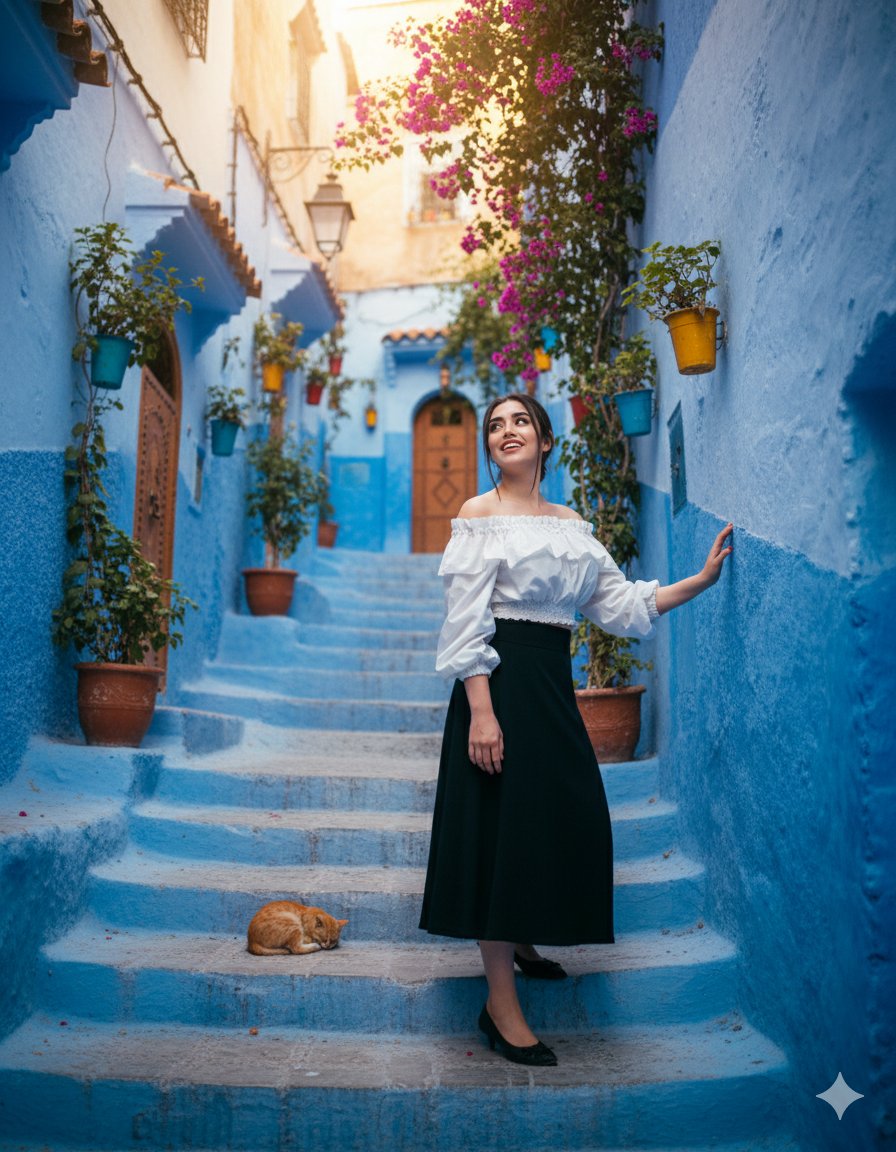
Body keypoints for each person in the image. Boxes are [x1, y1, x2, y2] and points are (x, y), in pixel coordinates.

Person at [418, 392, 733, 1067]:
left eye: (519, 421)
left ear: (546, 439)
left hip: (552, 687)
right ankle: (500, 1005)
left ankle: (525, 939)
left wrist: (698, 582)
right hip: (498, 684)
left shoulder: (570, 526)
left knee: (569, 814)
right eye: (495, 425)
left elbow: (617, 604)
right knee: (499, 833)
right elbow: (466, 621)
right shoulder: (479, 516)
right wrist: (480, 710)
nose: (506, 432)